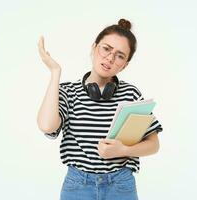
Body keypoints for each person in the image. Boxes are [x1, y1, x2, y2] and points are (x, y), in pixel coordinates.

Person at [37, 18, 163, 200]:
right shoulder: (68, 92)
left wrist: (123, 151)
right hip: (78, 186)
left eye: (120, 56)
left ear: (125, 64)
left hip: (121, 185)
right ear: (94, 47)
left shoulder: (131, 94)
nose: (110, 58)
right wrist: (55, 72)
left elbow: (154, 144)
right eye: (106, 49)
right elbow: (47, 126)